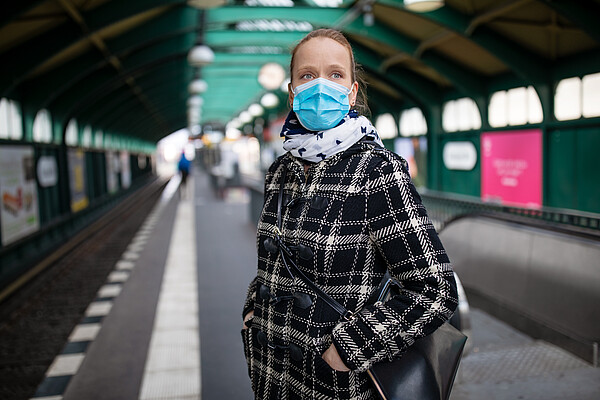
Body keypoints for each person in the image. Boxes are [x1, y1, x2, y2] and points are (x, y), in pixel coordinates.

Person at [241, 29, 458, 400]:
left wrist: (348, 348)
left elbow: (435, 291)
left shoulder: (377, 170)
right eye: (308, 75)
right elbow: (273, 264)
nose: (321, 85)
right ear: (293, 92)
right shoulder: (280, 171)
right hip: (271, 372)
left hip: (333, 385)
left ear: (352, 92)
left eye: (335, 74)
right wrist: (252, 311)